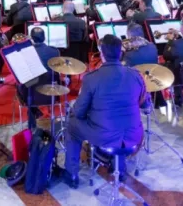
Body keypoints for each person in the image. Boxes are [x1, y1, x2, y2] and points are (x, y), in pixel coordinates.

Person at [63, 35, 147, 188]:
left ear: (101, 54)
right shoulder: (135, 75)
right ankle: (120, 170)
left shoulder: (91, 78)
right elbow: (145, 104)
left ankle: (71, 174)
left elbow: (79, 112)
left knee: (72, 126)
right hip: (135, 136)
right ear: (120, 53)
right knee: (121, 123)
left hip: (105, 137)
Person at [17, 27, 60, 130]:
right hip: (52, 93)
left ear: (31, 38)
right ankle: (35, 111)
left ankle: (33, 112)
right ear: (44, 37)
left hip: (32, 95)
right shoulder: (55, 51)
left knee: (21, 85)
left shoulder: (25, 53)